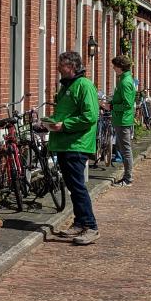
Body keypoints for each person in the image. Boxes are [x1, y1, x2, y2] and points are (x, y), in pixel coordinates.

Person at [44, 51, 100, 246]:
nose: (59, 68)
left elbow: (90, 116)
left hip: (77, 144)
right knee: (72, 187)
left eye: (63, 65)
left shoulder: (84, 86)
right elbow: (65, 112)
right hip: (65, 143)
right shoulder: (67, 86)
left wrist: (64, 125)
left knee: (77, 186)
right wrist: (48, 122)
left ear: (73, 67)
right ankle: (79, 223)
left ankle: (91, 227)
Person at [106, 54, 136, 187]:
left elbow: (127, 104)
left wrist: (111, 106)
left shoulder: (125, 82)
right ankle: (127, 176)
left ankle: (128, 178)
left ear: (120, 67)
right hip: (121, 119)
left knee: (125, 149)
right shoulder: (124, 79)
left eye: (115, 66)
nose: (113, 68)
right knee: (123, 148)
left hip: (123, 120)